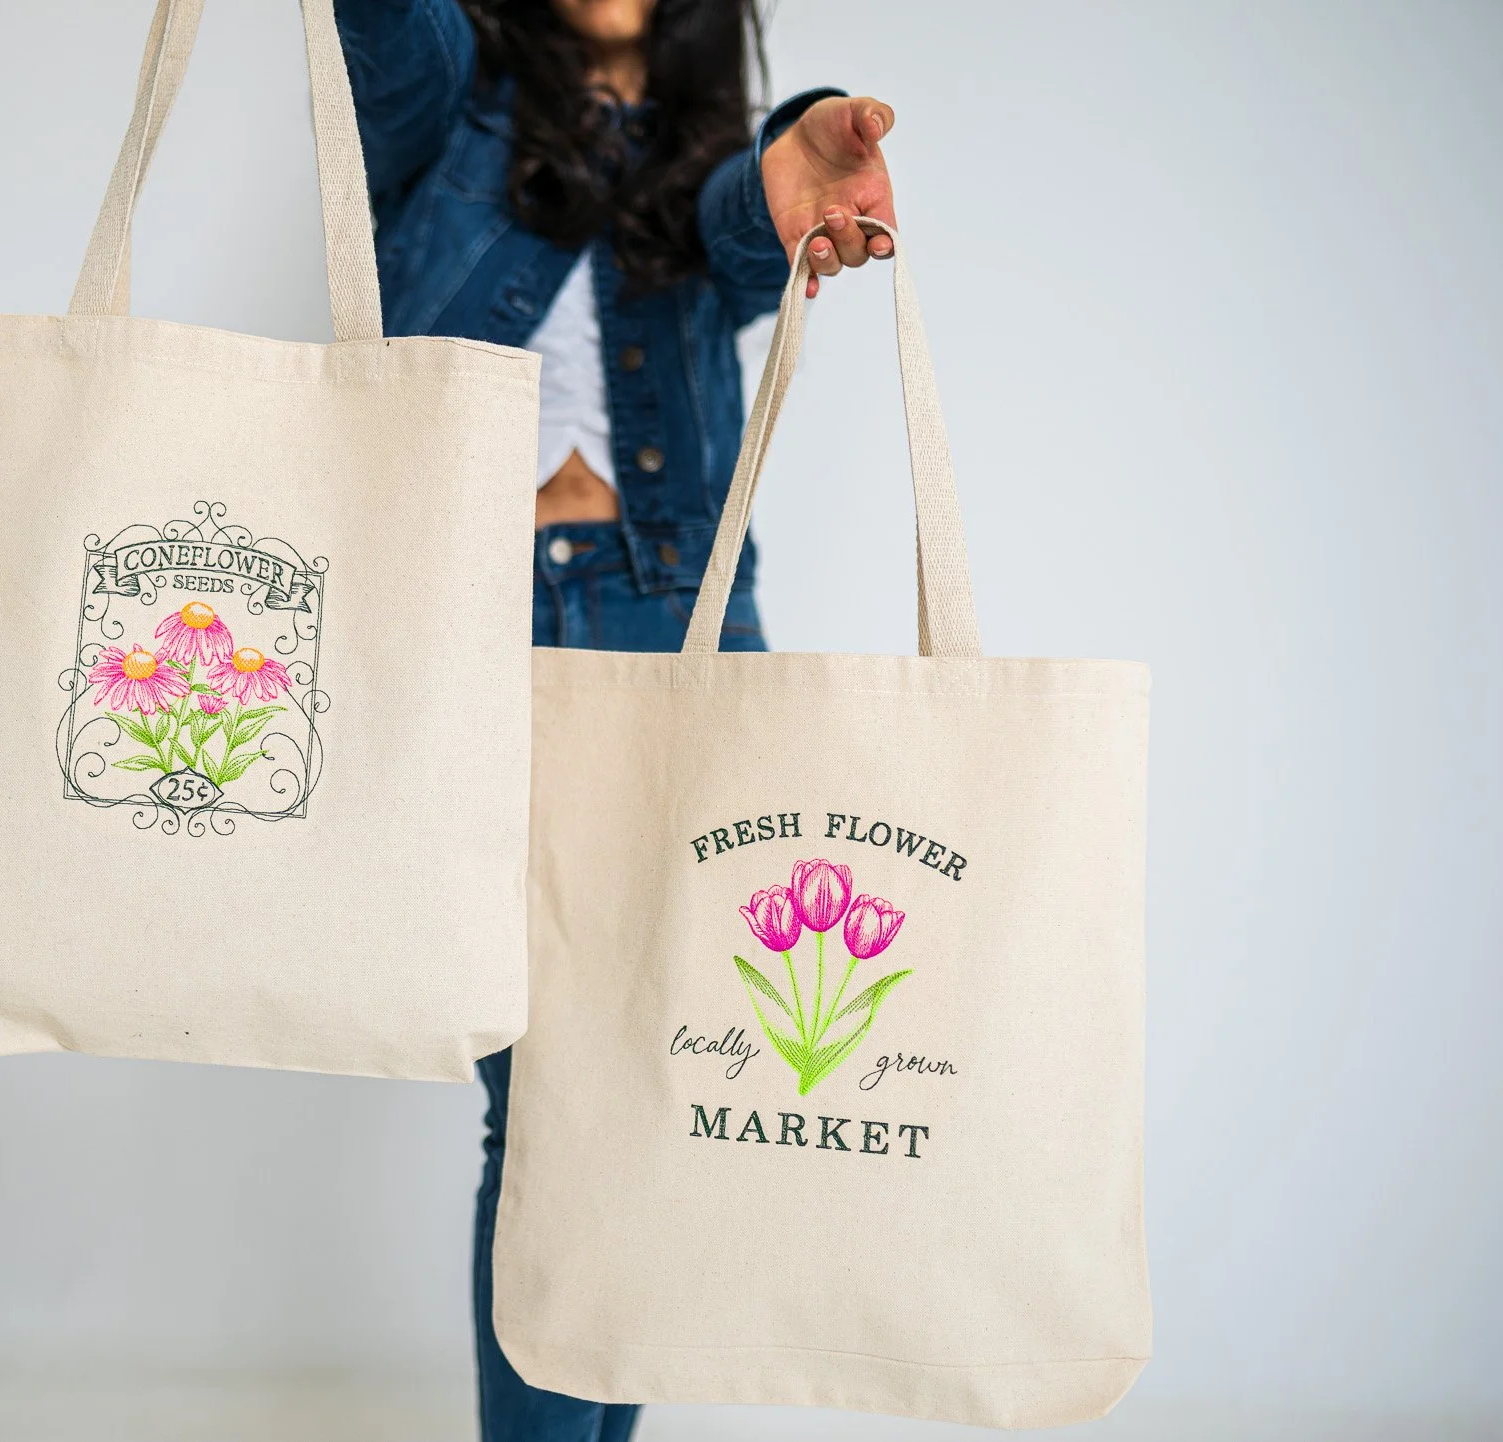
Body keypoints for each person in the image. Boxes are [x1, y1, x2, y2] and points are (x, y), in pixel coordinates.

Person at [333, 2, 897, 1436]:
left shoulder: (710, 178)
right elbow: (383, 26)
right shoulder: (446, 111)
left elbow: (752, 201)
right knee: (548, 1116)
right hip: (466, 635)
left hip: (679, 641)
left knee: (645, 1107)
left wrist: (807, 140)